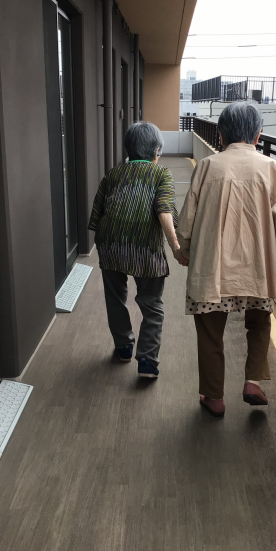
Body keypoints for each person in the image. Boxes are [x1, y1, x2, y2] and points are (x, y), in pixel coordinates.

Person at [176, 102, 276, 416]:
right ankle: (252, 382)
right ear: (258, 135)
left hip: (212, 269)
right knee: (260, 324)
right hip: (256, 271)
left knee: (210, 334)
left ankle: (214, 397)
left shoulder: (207, 166)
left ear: (220, 135)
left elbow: (187, 222)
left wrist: (186, 252)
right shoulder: (272, 169)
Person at [88, 122, 185, 379]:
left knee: (115, 298)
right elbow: (164, 211)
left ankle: (123, 347)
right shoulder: (161, 174)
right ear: (157, 150)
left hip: (111, 245)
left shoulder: (113, 174)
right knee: (151, 304)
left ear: (128, 148)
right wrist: (175, 247)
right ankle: (147, 361)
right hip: (146, 249)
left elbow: (96, 216)